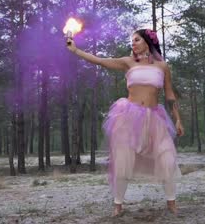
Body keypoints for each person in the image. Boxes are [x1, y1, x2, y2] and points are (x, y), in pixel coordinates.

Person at [66, 29, 184, 217]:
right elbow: (100, 61)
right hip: (129, 116)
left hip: (155, 118)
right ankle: (118, 205)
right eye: (132, 41)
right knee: (122, 161)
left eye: (136, 40)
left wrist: (177, 119)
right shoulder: (127, 63)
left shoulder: (162, 66)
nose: (133, 43)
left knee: (167, 158)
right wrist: (76, 51)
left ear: (147, 42)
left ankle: (171, 202)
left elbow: (170, 95)